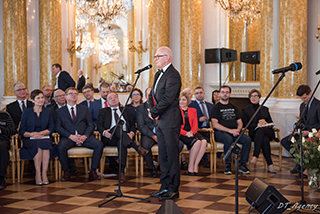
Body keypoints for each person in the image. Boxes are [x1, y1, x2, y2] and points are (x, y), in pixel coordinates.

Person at [148, 46, 182, 201]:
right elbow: (152, 95)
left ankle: (174, 189)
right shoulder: (157, 74)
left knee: (171, 155)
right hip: (161, 121)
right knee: (163, 155)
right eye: (155, 57)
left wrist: (154, 112)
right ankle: (164, 186)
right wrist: (151, 109)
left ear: (167, 57)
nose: (155, 59)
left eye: (158, 56)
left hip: (170, 120)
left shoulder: (173, 75)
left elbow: (168, 98)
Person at [97, 92, 148, 183]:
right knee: (117, 127)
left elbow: (132, 125)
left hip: (124, 138)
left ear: (118, 99)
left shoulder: (126, 110)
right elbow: (99, 126)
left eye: (115, 97)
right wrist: (104, 132)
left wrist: (132, 133)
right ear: (107, 102)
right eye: (110, 98)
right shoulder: (103, 111)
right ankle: (136, 147)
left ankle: (121, 173)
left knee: (121, 142)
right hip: (110, 138)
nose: (113, 99)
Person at [56, 87, 103, 181]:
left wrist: (85, 136)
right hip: (69, 137)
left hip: (84, 136)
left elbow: (90, 125)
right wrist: (71, 136)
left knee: (99, 145)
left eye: (75, 93)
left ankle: (93, 171)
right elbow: (58, 127)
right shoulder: (60, 111)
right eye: (71, 93)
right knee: (61, 147)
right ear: (65, 96)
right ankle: (66, 171)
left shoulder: (84, 109)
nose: (74, 95)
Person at [210, 85, 251, 175]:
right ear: (220, 94)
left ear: (230, 94)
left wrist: (237, 130)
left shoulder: (234, 107)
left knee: (247, 139)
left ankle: (243, 165)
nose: (225, 94)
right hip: (220, 133)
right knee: (227, 139)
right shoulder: (215, 108)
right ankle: (228, 165)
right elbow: (215, 124)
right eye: (223, 92)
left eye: (227, 92)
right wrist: (230, 130)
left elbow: (240, 122)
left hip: (235, 132)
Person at [281, 85, 320, 177]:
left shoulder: (318, 105)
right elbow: (302, 121)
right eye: (301, 98)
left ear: (310, 94)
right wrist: (297, 129)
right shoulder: (302, 106)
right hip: (304, 133)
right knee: (286, 141)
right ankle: (301, 163)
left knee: (305, 145)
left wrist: (310, 133)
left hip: (315, 135)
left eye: (305, 98)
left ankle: (305, 167)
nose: (303, 100)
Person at [19, 89, 55, 185]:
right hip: (30, 139)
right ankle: (38, 174)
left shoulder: (48, 111)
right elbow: (22, 130)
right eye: (38, 98)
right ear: (32, 100)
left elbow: (51, 128)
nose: (41, 100)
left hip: (44, 137)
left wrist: (41, 133)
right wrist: (32, 134)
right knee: (38, 146)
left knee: (45, 145)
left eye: (42, 97)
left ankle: (44, 174)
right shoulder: (27, 112)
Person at [242, 89, 276, 173]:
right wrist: (257, 125)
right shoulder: (246, 110)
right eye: (251, 96)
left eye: (256, 96)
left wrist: (265, 123)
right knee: (264, 139)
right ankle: (270, 164)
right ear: (249, 98)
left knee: (262, 131)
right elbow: (245, 125)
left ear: (259, 97)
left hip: (267, 131)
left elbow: (271, 123)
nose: (254, 98)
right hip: (254, 133)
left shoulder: (265, 109)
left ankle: (255, 155)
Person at [179, 92, 207, 176]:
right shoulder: (176, 111)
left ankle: (196, 165)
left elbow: (195, 124)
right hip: (181, 134)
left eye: (183, 99)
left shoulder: (193, 110)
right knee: (197, 142)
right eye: (180, 100)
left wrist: (192, 132)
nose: (181, 101)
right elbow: (176, 127)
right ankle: (190, 166)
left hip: (192, 132)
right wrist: (186, 133)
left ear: (187, 100)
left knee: (204, 141)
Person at [0, 111, 16, 190]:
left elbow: (13, 130)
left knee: (2, 148)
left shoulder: (5, 115)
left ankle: (1, 178)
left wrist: (1, 130)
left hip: (2, 139)